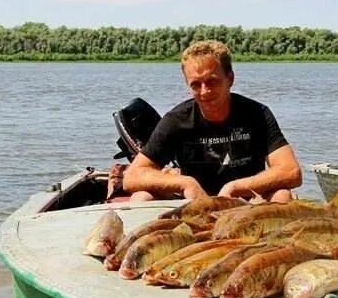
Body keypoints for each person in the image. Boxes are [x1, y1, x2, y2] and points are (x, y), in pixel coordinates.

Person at [122, 40, 302, 202]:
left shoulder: (257, 114)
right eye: (195, 84)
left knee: (282, 195)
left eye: (212, 82)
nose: (204, 91)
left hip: (246, 200)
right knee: (141, 197)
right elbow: (131, 177)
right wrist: (186, 183)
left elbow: (291, 171)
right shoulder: (177, 120)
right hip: (197, 203)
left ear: (230, 79)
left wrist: (236, 188)